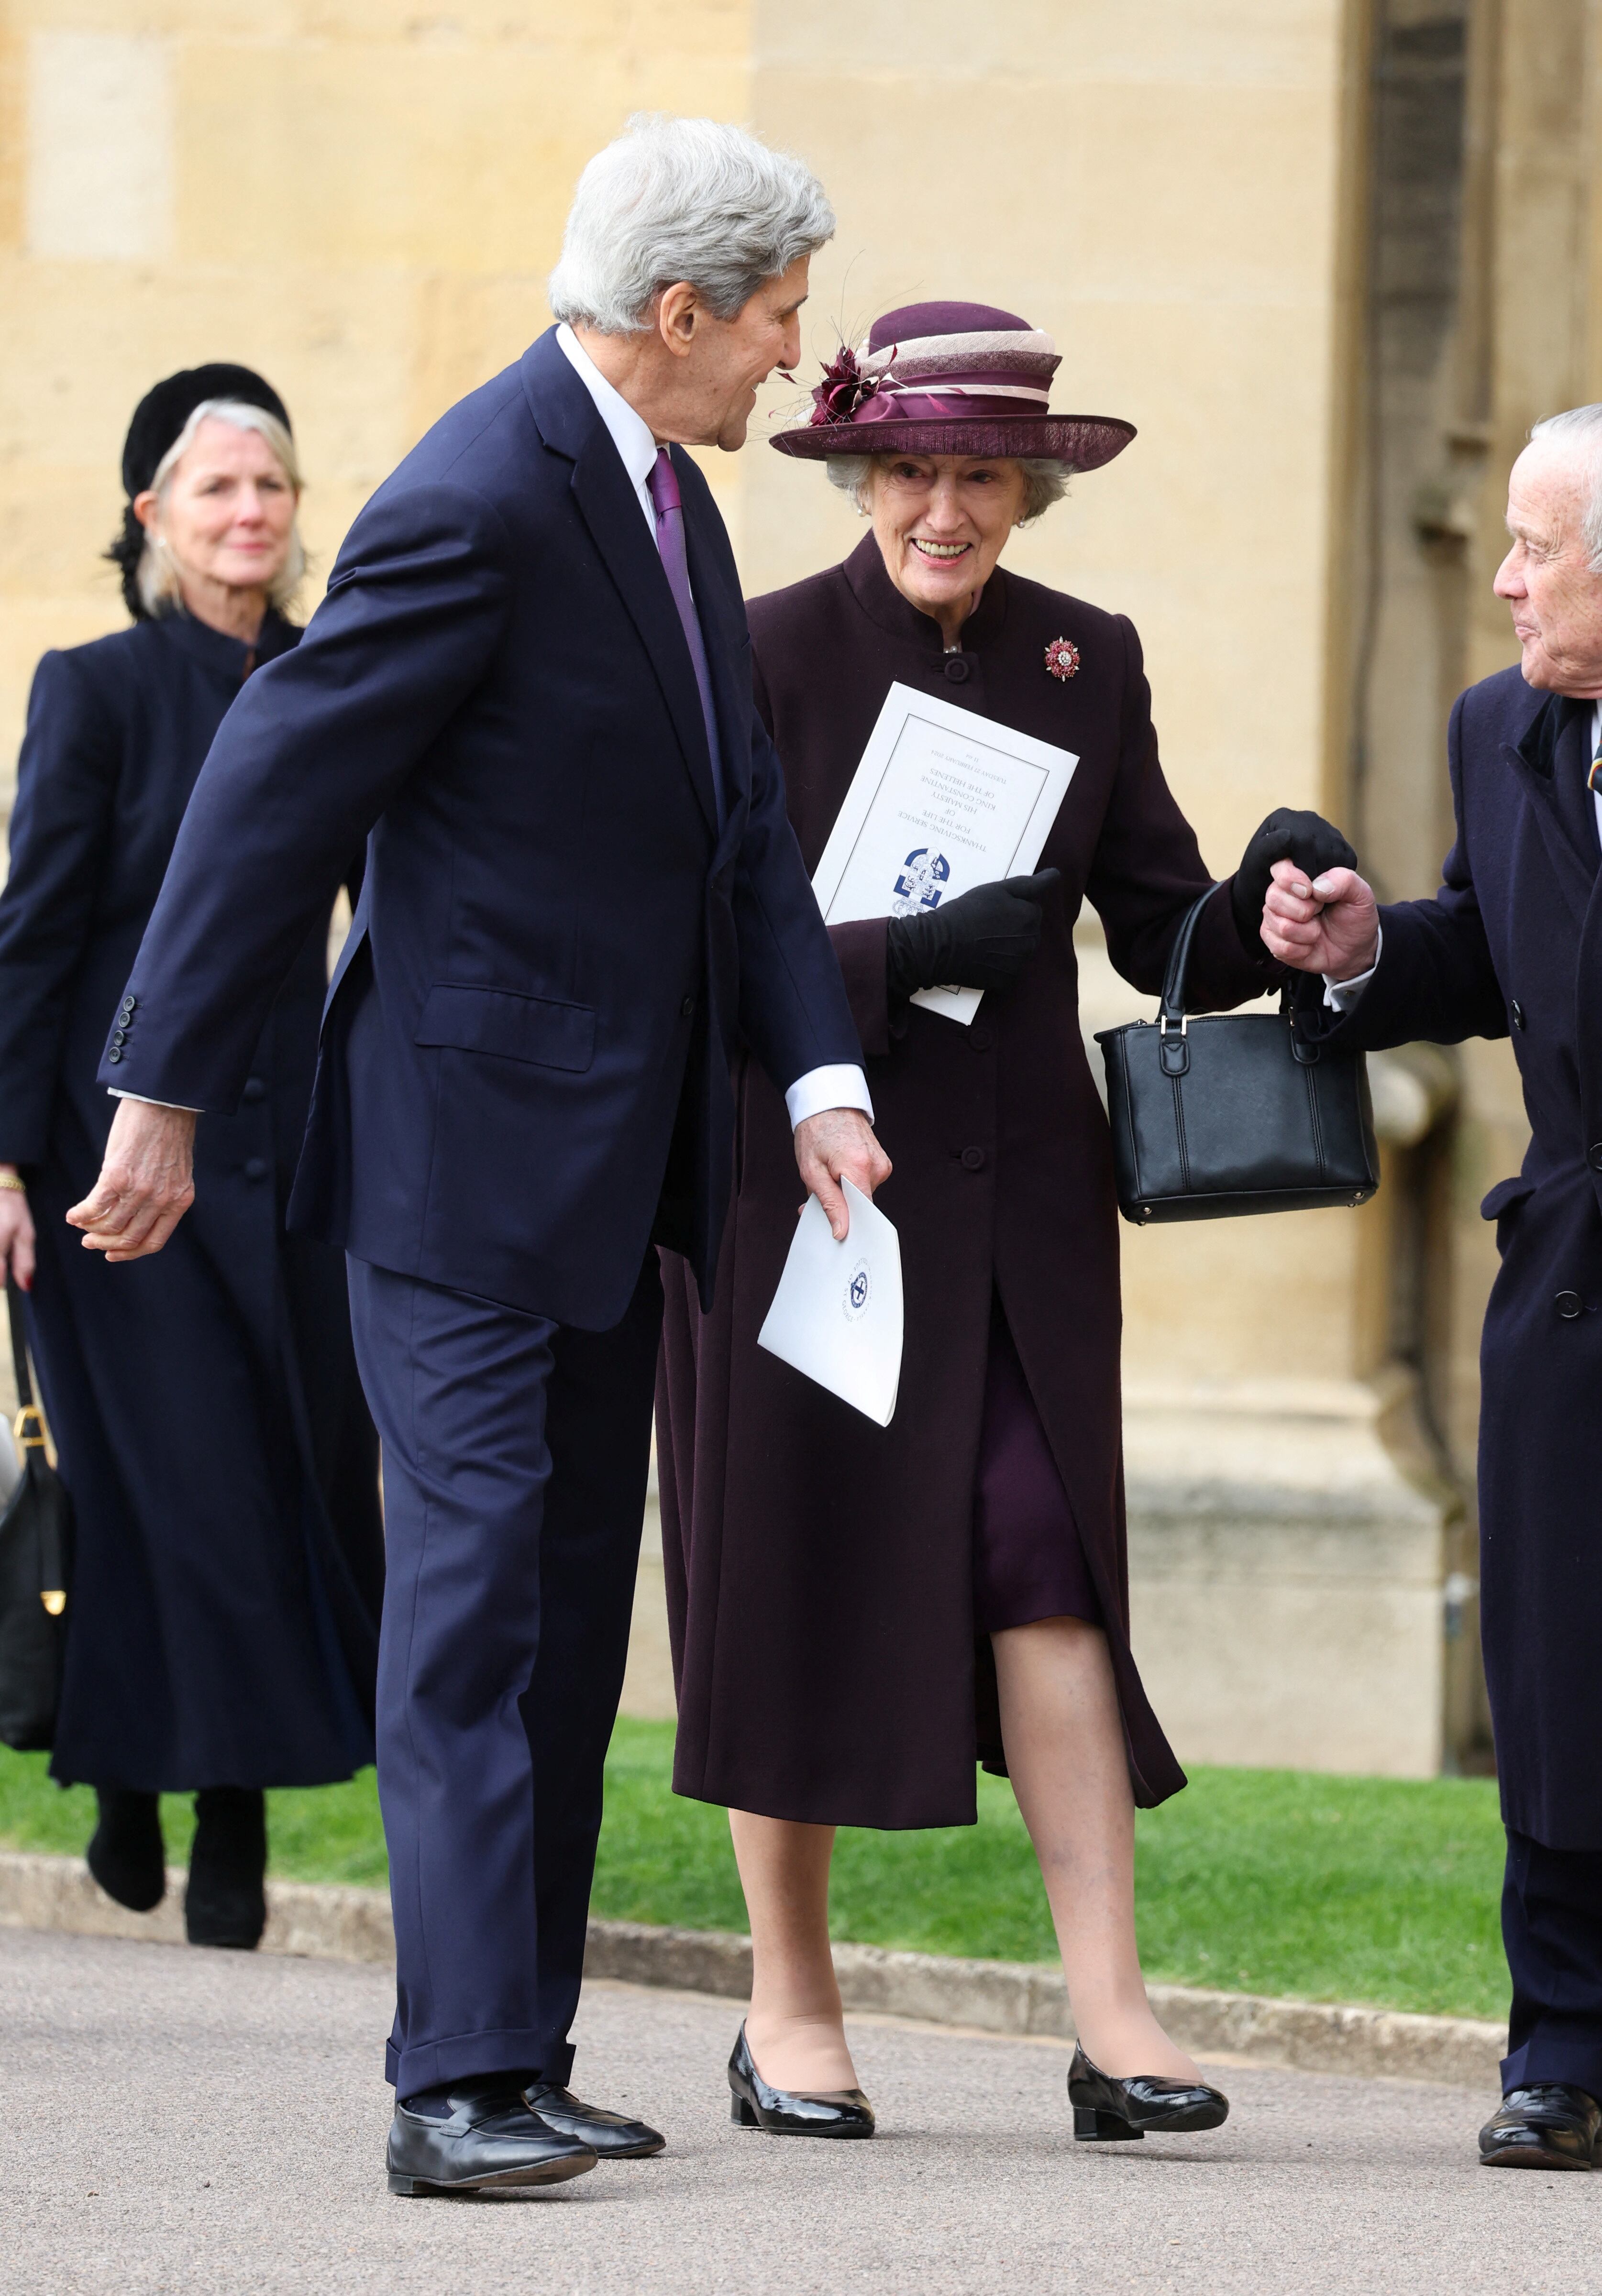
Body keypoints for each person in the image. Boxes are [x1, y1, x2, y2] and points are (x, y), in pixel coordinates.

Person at [62, 117, 889, 2198]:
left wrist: (814, 1082)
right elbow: (276, 778)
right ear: (680, 313)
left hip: (613, 1179)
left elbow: (741, 843)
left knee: (557, 1606)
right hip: (450, 1169)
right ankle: (451, 2082)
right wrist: (155, 1083)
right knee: (465, 1620)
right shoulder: (473, 493)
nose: (796, 357)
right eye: (779, 318)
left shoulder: (673, 506)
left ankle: (521, 2045)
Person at [656, 300, 1351, 2140]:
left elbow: (1158, 923)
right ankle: (786, 2008)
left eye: (980, 474)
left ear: (1031, 490)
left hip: (1025, 1217)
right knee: (788, 1572)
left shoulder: (1084, 658)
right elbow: (691, 952)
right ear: (862, 473)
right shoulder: (760, 653)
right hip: (804, 1195)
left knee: (1047, 1566)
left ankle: (1115, 2018)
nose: (943, 509)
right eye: (912, 471)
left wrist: (1262, 908)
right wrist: (890, 962)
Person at [0, 367, 383, 1950]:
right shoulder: (94, 690)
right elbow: (31, 938)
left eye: (272, 488)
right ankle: (148, 1788)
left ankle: (226, 1794)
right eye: (217, 487)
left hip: (294, 1154)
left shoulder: (341, 679)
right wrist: (7, 1160)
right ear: (150, 512)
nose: (249, 513)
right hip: (115, 1164)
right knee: (164, 1481)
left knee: (286, 1468)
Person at [1262, 405, 1602, 2174]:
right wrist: (1362, 944)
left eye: (1536, 549)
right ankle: (1562, 2052)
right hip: (1571, 1273)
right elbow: (1483, 944)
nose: (1507, 584)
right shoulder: (1498, 727)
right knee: (1555, 1660)